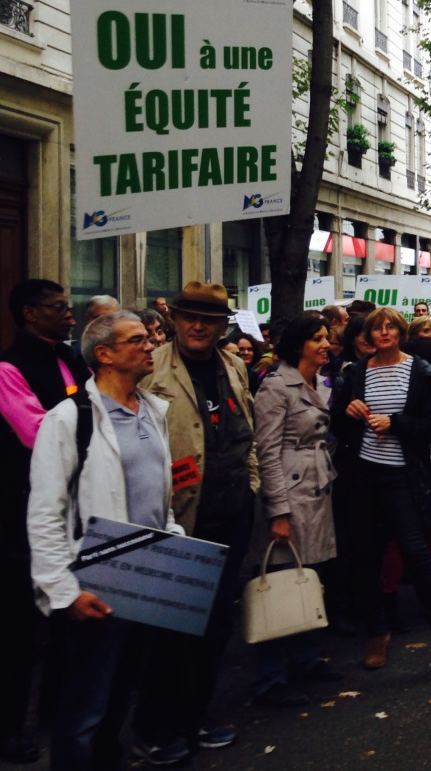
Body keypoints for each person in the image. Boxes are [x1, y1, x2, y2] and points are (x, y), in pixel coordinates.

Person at [28, 311, 184, 771]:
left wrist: (173, 545)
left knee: (120, 695)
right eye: (137, 339)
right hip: (97, 583)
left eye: (149, 337)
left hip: (148, 577)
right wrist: (64, 590)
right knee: (84, 708)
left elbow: (160, 496)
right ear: (105, 355)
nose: (151, 343)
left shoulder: (152, 410)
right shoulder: (67, 419)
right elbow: (44, 513)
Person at [130, 282, 258, 764]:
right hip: (179, 518)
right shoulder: (152, 368)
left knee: (215, 624)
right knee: (170, 629)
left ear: (223, 325)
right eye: (189, 318)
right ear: (175, 321)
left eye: (208, 319)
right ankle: (154, 726)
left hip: (232, 513)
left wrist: (253, 484)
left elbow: (246, 428)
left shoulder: (234, 365)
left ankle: (196, 715)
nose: (198, 326)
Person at [332, 308, 431, 678]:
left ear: (401, 333)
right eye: (377, 328)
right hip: (363, 476)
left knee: (417, 557)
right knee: (365, 560)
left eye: (390, 327)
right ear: (369, 336)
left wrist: (396, 423)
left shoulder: (421, 371)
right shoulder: (356, 373)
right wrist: (349, 410)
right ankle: (377, 633)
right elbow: (339, 423)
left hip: (402, 477)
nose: (384, 332)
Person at [0, 280, 89, 765]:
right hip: (21, 517)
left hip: (72, 508)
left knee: (65, 619)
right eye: (59, 309)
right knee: (16, 630)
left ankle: (58, 708)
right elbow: (38, 435)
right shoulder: (8, 369)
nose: (70, 315)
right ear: (30, 313)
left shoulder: (71, 358)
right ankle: (10, 726)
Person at [249, 316, 345, 706]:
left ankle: (305, 659)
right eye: (317, 338)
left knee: (306, 577)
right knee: (282, 581)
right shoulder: (275, 387)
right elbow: (267, 452)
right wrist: (278, 510)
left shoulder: (315, 382)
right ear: (298, 344)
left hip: (315, 488)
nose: (326, 344)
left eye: (326, 337)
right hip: (289, 493)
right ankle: (269, 678)